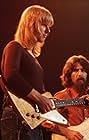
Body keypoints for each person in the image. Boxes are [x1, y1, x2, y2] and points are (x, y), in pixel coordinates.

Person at [0, 5, 54, 140]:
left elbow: (41, 94)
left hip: (31, 120)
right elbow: (11, 76)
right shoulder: (14, 46)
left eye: (49, 27)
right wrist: (39, 98)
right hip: (17, 117)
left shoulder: (34, 58)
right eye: (44, 25)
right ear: (31, 23)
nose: (48, 30)